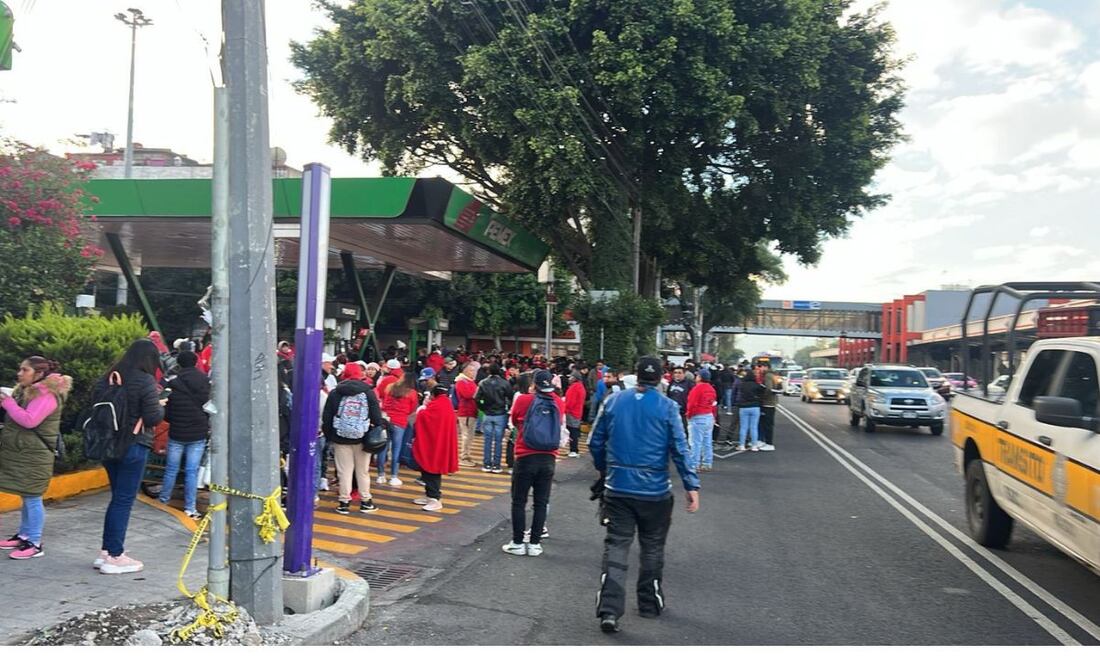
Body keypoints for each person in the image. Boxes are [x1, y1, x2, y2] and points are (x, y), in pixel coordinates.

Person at [588, 356, 700, 633]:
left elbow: (595, 442)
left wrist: (605, 470)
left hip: (618, 488)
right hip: (655, 491)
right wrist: (691, 485)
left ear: (635, 376)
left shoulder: (613, 401)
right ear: (660, 378)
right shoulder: (668, 407)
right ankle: (649, 603)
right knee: (652, 547)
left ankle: (609, 610)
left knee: (616, 546)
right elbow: (680, 449)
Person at [93, 339, 166, 574]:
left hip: (108, 445)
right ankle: (115, 555)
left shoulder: (110, 377)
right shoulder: (144, 380)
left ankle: (106, 551)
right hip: (133, 446)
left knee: (117, 498)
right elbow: (153, 417)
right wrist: (162, 404)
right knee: (123, 500)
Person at [0, 356, 71, 560]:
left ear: (39, 374)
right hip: (26, 453)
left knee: (32, 498)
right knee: (27, 494)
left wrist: (9, 403)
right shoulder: (30, 391)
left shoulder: (46, 394)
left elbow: (30, 421)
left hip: (36, 455)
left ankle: (35, 542)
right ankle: (24, 535)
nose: (19, 373)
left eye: (25, 370)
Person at [502, 370, 564, 557]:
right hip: (549, 458)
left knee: (519, 501)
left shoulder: (523, 400)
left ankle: (518, 542)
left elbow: (514, 420)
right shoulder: (558, 402)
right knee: (541, 502)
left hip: (525, 454)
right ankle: (535, 543)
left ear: (534, 384)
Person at [321, 362, 384, 515]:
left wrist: (332, 435)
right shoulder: (367, 392)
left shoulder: (336, 393)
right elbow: (376, 417)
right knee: (362, 471)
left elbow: (327, 417)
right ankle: (366, 501)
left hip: (340, 438)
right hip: (362, 438)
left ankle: (344, 503)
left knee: (344, 471)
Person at [158, 350, 211, 519]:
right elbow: (210, 406)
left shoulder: (173, 382)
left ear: (179, 363)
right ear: (196, 362)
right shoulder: (205, 381)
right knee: (191, 471)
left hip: (177, 432)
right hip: (198, 433)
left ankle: (163, 501)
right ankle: (190, 508)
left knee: (171, 469)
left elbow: (166, 412)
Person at [411, 379, 459, 512]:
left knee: (432, 471)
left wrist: (422, 409)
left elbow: (425, 417)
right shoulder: (445, 404)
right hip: (436, 443)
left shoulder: (437, 406)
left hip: (434, 446)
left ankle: (435, 498)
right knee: (428, 470)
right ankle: (429, 496)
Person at [379, 370, 419, 486]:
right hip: (400, 422)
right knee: (396, 449)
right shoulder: (411, 393)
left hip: (386, 420)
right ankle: (393, 476)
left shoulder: (390, 387)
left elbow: (384, 401)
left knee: (383, 448)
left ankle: (381, 475)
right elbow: (412, 409)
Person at [475, 363, 511, 473]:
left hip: (487, 414)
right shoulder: (505, 383)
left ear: (488, 371)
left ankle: (487, 464)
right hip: (500, 413)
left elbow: (477, 398)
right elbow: (510, 397)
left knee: (487, 440)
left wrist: (483, 407)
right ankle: (496, 465)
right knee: (498, 441)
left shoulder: (483, 383)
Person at [685, 367, 717, 471]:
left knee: (695, 443)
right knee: (707, 442)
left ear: (700, 377)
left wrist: (688, 415)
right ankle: (707, 463)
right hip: (708, 416)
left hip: (698, 416)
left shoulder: (697, 388)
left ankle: (694, 464)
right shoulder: (711, 389)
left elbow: (691, 403)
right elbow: (713, 404)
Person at [454, 361, 480, 468]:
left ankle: (467, 455)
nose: (474, 373)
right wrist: (478, 390)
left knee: (470, 436)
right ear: (465, 371)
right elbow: (468, 394)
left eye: (474, 371)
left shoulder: (470, 381)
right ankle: (463, 457)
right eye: (471, 370)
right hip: (466, 412)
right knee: (466, 436)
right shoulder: (461, 382)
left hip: (471, 412)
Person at [737, 370, 764, 451]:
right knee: (754, 427)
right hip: (755, 407)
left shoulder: (742, 385)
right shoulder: (757, 385)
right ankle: (754, 445)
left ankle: (741, 445)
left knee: (743, 427)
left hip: (744, 407)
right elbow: (762, 391)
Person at [756, 361, 779, 452]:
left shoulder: (768, 376)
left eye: (760, 367)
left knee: (767, 424)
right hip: (770, 402)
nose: (759, 369)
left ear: (765, 367)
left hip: (768, 403)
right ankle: (765, 441)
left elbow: (768, 389)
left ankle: (769, 443)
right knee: (765, 423)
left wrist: (761, 396)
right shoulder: (772, 375)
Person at [564, 370, 586, 458]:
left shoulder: (574, 387)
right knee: (573, 431)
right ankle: (572, 449)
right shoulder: (580, 386)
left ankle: (574, 450)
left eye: (571, 377)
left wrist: (565, 409)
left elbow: (570, 402)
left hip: (572, 412)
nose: (569, 378)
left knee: (572, 431)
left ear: (575, 378)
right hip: (577, 411)